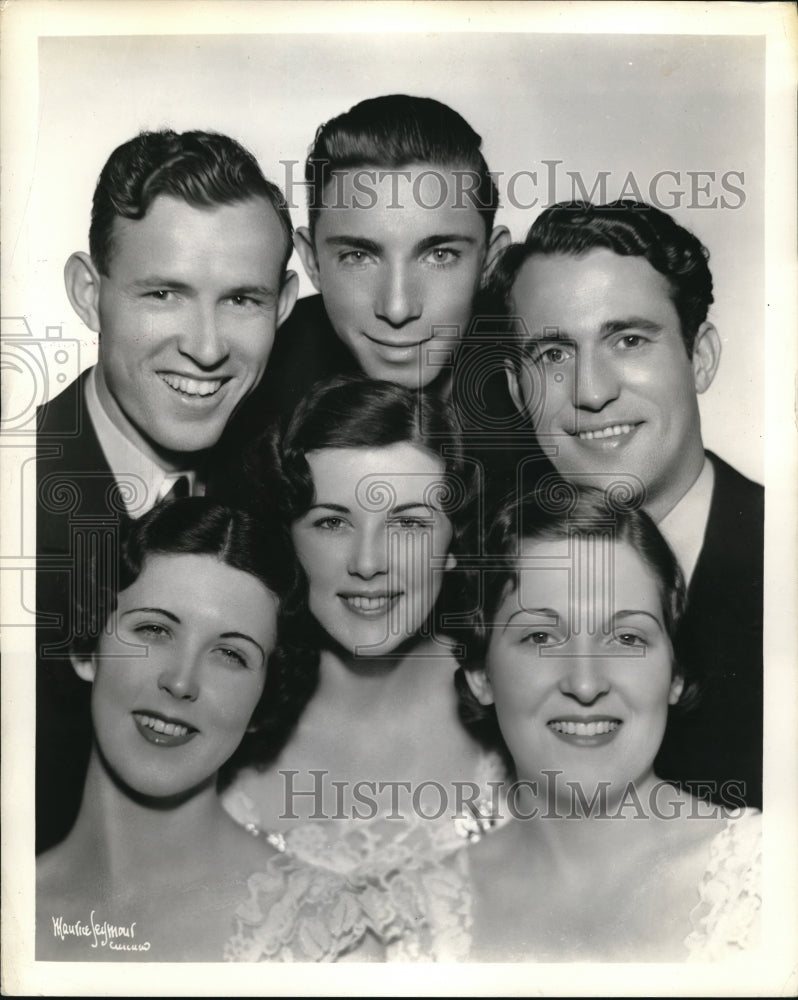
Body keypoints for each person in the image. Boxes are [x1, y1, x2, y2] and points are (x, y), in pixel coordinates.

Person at [36, 128, 299, 852]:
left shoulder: (289, 496)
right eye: (164, 294)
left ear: (283, 305)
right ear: (89, 294)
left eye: (242, 299)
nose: (207, 348)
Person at [480, 201, 764, 808]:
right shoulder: (486, 577)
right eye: (553, 355)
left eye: (629, 340)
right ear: (516, 392)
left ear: (700, 357)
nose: (592, 391)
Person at [412, 487, 761, 962]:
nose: (585, 683)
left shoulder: (772, 879)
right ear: (481, 675)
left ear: (675, 675)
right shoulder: (422, 916)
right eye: (541, 636)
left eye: (626, 638)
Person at [36, 498, 386, 963]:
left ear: (263, 701)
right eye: (155, 630)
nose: (181, 682)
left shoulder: (327, 938)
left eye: (231, 655)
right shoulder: (15, 913)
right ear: (87, 648)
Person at [222, 376, 509, 919]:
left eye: (408, 523)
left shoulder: (516, 692)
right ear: (288, 538)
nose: (369, 562)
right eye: (332, 522)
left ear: (453, 541)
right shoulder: (229, 703)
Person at [242, 93, 510, 417]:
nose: (397, 309)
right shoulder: (247, 387)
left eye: (440, 255)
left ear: (491, 261)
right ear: (312, 261)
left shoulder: (542, 389)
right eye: (358, 257)